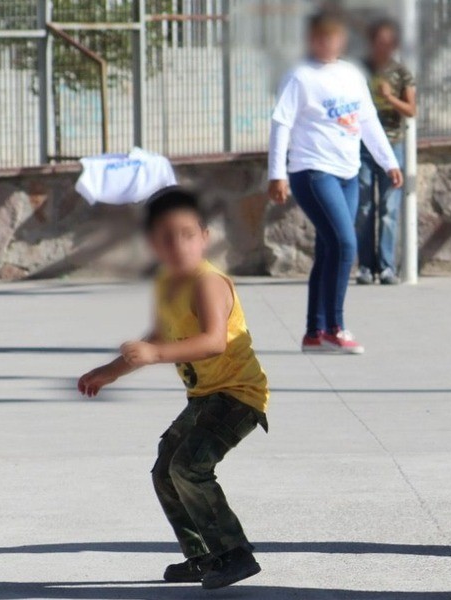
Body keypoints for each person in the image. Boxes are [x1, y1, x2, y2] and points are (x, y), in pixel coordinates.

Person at [76, 187, 270, 590]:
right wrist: (109, 372)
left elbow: (215, 340)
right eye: (166, 236)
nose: (177, 245)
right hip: (205, 396)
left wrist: (153, 354)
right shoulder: (168, 284)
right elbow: (157, 337)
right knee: (166, 470)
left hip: (238, 395)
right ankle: (202, 555)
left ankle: (235, 553)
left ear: (204, 236)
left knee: (189, 467)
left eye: (187, 234)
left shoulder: (207, 282)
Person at [267, 11, 403, 354]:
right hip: (312, 171)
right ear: (311, 39)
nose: (327, 43)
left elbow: (368, 120)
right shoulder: (300, 77)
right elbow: (281, 124)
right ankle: (336, 327)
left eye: (334, 37)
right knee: (346, 244)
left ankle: (314, 333)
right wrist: (277, 173)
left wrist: (389, 162)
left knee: (329, 249)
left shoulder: (351, 75)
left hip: (347, 172)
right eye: (321, 37)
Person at [356, 19, 416, 286]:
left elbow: (411, 110)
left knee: (389, 209)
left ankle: (387, 267)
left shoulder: (402, 73)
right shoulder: (359, 71)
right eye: (379, 41)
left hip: (393, 146)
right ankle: (366, 267)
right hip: (362, 148)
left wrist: (390, 97)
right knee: (364, 207)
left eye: (388, 42)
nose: (384, 47)